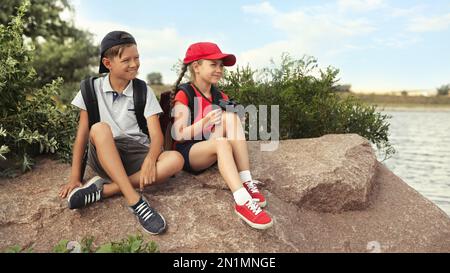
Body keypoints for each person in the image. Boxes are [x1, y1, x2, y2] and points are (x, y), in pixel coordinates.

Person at [59, 31, 184, 235]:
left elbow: (156, 135)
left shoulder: (143, 90)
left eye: (137, 58)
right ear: (108, 63)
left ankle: (104, 191)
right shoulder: (90, 89)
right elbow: (82, 135)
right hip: (103, 151)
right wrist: (75, 177)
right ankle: (135, 201)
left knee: (176, 160)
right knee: (99, 128)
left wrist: (151, 159)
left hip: (135, 154)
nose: (134, 64)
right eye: (126, 60)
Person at [170, 42, 273, 230]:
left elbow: (230, 125)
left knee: (230, 122)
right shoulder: (184, 93)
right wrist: (205, 122)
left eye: (221, 66)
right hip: (190, 152)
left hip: (213, 143)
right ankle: (241, 200)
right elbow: (179, 134)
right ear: (196, 66)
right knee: (221, 143)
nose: (219, 69)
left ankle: (246, 181)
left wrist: (237, 122)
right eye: (213, 64)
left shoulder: (220, 95)